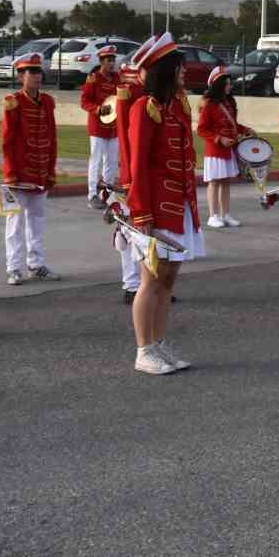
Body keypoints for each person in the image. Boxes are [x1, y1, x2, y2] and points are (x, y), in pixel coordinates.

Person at [126, 33, 204, 373]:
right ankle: (144, 350)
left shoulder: (174, 108)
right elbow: (137, 163)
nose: (184, 74)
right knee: (151, 279)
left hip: (179, 204)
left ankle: (158, 343)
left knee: (168, 281)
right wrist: (140, 211)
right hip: (155, 206)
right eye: (178, 68)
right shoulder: (145, 108)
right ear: (164, 71)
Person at [0, 51, 60, 286]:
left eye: (38, 72)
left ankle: (36, 264)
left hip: (40, 172)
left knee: (37, 221)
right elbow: (7, 142)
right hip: (19, 174)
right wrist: (10, 174)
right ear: (20, 76)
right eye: (31, 72)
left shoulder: (47, 101)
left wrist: (50, 171)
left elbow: (52, 138)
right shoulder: (13, 102)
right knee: (15, 223)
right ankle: (13, 267)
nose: (37, 76)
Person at [114, 40, 150, 303]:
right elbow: (127, 142)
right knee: (131, 231)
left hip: (152, 178)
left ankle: (149, 283)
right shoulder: (130, 93)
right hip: (133, 175)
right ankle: (131, 283)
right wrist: (129, 178)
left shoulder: (161, 93)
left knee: (149, 233)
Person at [197, 67, 252, 229]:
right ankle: (213, 215)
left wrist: (245, 130)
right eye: (226, 84)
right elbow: (201, 129)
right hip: (215, 151)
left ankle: (225, 214)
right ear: (218, 85)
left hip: (229, 150)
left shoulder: (228, 103)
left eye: (229, 84)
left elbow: (233, 125)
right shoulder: (209, 105)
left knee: (226, 182)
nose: (229, 87)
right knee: (214, 182)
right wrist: (219, 139)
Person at [78, 44, 121, 208]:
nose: (112, 63)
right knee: (95, 160)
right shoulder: (93, 78)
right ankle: (92, 194)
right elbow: (84, 101)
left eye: (113, 60)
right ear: (101, 61)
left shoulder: (117, 78)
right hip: (97, 126)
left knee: (111, 161)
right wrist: (97, 109)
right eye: (109, 60)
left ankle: (107, 192)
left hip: (113, 126)